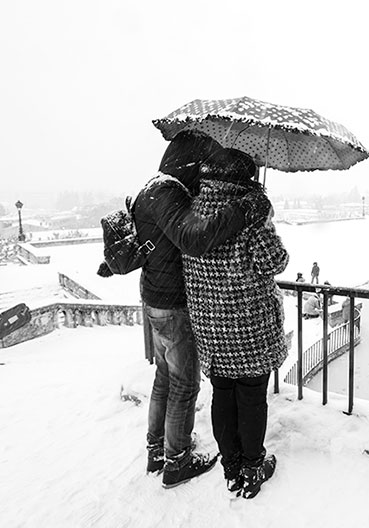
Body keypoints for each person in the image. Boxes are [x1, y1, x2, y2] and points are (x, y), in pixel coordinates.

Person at [131, 132, 264, 489]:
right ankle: (177, 461)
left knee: (163, 380)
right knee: (184, 386)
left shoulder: (152, 188)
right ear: (190, 160)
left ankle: (157, 451)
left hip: (156, 299)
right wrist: (247, 206)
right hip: (173, 304)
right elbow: (194, 239)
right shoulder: (168, 192)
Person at [183, 148, 287, 500]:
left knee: (222, 396)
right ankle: (254, 465)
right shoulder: (248, 214)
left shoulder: (191, 212)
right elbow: (275, 261)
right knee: (252, 398)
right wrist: (264, 219)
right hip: (249, 325)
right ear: (245, 179)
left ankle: (231, 466)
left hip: (211, 326)